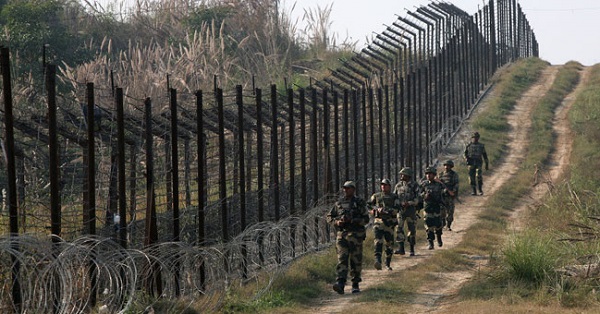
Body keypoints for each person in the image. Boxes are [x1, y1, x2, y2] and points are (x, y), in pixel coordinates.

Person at [327, 180, 370, 294]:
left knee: (356, 260)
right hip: (342, 235)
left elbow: (366, 219)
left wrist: (353, 220)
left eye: (348, 188)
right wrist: (337, 222)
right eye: (344, 188)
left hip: (356, 235)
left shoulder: (360, 202)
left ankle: (355, 284)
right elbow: (329, 217)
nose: (346, 190)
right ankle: (340, 283)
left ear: (353, 189)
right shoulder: (339, 203)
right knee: (342, 259)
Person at [367, 178, 401, 271]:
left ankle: (387, 263)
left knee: (389, 244)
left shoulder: (394, 197)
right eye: (382, 185)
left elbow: (397, 209)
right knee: (378, 241)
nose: (383, 186)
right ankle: (377, 260)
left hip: (389, 224)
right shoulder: (376, 196)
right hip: (378, 222)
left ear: (389, 186)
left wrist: (387, 211)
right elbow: (368, 205)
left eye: (385, 185)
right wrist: (374, 210)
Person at [393, 167, 421, 256]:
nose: (401, 176)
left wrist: (409, 203)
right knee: (399, 228)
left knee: (411, 230)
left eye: (403, 174)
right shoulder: (398, 185)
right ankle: (401, 248)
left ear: (408, 175)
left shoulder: (415, 185)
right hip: (401, 211)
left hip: (411, 211)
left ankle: (412, 249)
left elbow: (418, 198)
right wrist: (398, 204)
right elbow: (394, 197)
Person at [420, 166, 446, 249]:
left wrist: (441, 183)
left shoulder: (439, 184)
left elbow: (445, 191)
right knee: (428, 225)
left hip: (437, 207)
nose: (428, 175)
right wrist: (424, 196)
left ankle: (439, 237)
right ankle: (430, 242)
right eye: (427, 174)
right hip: (427, 207)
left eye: (430, 174)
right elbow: (418, 194)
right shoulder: (424, 184)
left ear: (434, 175)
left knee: (438, 224)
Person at [439, 160, 459, 231]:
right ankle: (443, 223)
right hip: (443, 196)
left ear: (451, 167)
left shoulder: (454, 175)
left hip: (450, 196)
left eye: (448, 166)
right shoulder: (441, 174)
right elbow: (438, 185)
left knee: (450, 211)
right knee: (442, 211)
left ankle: (448, 225)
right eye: (445, 165)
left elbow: (456, 184)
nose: (446, 167)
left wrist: (453, 191)